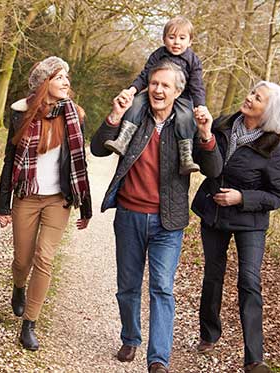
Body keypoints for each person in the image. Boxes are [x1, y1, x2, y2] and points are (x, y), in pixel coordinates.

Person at [91, 60, 221, 373]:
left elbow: (214, 169)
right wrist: (114, 116)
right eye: (154, 84)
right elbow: (97, 149)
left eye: (165, 85)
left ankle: (158, 359)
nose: (158, 90)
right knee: (128, 285)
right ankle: (130, 336)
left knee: (162, 287)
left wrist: (206, 133)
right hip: (129, 215)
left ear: (178, 92)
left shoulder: (187, 124)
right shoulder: (135, 116)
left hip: (168, 222)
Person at [191, 81, 280, 373]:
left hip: (250, 222)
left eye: (256, 98)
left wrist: (242, 197)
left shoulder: (276, 148)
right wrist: (204, 134)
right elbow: (204, 161)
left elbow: (278, 196)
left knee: (249, 281)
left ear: (268, 112)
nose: (248, 99)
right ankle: (209, 334)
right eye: (251, 93)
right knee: (213, 274)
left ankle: (254, 358)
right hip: (214, 213)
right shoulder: (223, 124)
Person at [0, 56, 92, 351]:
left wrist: (85, 207)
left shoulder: (74, 116)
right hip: (26, 196)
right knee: (22, 259)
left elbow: (80, 164)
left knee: (45, 257)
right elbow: (10, 160)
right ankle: (18, 287)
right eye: (59, 77)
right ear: (43, 83)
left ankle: (29, 323)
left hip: (57, 200)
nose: (66, 82)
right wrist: (3, 205)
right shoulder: (21, 114)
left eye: (67, 77)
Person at [104, 16, 206, 175]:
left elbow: (197, 86)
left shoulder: (193, 60)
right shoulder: (158, 55)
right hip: (153, 90)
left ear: (190, 41)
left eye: (182, 38)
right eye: (171, 38)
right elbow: (145, 75)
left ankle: (186, 156)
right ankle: (123, 139)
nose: (176, 42)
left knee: (186, 117)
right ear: (164, 39)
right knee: (136, 103)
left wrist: (200, 106)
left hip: (182, 96)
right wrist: (132, 90)